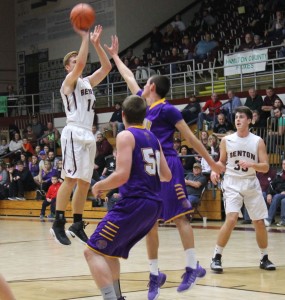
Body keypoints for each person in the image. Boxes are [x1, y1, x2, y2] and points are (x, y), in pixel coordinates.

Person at [105, 35, 224, 298]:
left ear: (152, 87)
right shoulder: (141, 105)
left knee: (180, 217)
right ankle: (154, 274)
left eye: (145, 82)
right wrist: (115, 56)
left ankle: (192, 265)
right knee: (150, 223)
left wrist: (213, 162)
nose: (141, 83)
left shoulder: (168, 110)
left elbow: (191, 139)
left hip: (168, 163)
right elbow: (128, 77)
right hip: (149, 168)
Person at [84, 95, 172, 300]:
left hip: (134, 203)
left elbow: (122, 174)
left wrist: (100, 185)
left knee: (91, 252)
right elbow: (166, 175)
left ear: (122, 115)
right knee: (109, 252)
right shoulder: (153, 138)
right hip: (154, 205)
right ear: (144, 116)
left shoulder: (125, 136)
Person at [50, 25, 112, 246]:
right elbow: (84, 64)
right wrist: (85, 38)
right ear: (68, 67)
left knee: (84, 182)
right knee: (70, 178)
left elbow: (106, 67)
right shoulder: (68, 82)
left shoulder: (87, 83)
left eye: (78, 60)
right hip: (74, 132)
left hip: (88, 134)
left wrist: (96, 44)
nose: (78, 63)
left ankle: (77, 223)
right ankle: (58, 221)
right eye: (74, 61)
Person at [210, 106, 276, 273]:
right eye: (236, 117)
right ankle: (216, 257)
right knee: (231, 218)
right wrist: (214, 170)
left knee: (259, 222)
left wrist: (252, 164)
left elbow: (265, 167)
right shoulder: (227, 140)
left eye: (241, 117)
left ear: (249, 120)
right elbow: (221, 161)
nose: (238, 119)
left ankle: (264, 257)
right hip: (232, 183)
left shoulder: (257, 141)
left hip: (251, 183)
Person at [264, 159, 285, 227]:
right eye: (283, 164)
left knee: (278, 198)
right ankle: (271, 219)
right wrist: (269, 193)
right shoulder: (278, 175)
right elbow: (271, 185)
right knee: (271, 196)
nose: (284, 165)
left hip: (280, 195)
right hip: (279, 194)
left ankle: (268, 219)